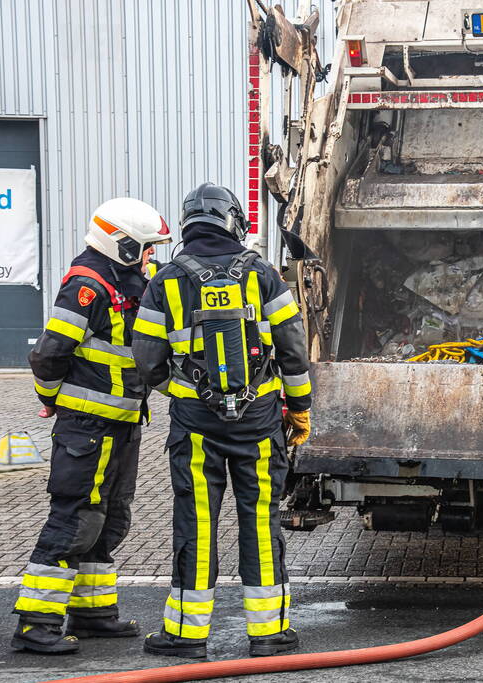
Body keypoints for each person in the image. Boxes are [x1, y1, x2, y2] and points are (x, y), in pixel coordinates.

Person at [132, 182, 311, 659]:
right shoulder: (265, 275)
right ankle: (269, 633)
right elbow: (293, 350)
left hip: (194, 427)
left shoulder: (164, 280)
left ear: (189, 223)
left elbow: (146, 361)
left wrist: (183, 391)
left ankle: (187, 636)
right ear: (234, 221)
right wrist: (300, 409)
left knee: (197, 523)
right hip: (259, 425)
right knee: (260, 521)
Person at [12, 198, 172, 654]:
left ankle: (93, 612)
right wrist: (49, 399)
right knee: (76, 519)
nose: (151, 258)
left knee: (110, 519)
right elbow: (49, 354)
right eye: (146, 250)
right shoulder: (87, 286)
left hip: (121, 425)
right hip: (87, 426)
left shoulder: (130, 286)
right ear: (121, 246)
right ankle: (36, 623)